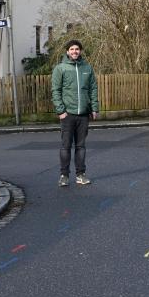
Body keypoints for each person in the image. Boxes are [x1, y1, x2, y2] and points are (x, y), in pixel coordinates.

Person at [52, 40, 99, 187]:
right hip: (68, 114)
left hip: (83, 115)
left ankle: (81, 175)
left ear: (80, 51)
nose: (74, 51)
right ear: (67, 51)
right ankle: (64, 176)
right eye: (71, 49)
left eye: (77, 49)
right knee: (66, 146)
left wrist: (94, 108)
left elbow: (93, 89)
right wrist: (61, 111)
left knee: (81, 146)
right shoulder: (60, 68)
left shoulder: (87, 68)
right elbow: (56, 91)